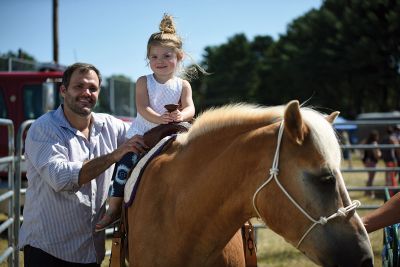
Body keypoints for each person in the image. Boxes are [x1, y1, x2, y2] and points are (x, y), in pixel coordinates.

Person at [18, 62, 147, 266]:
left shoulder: (110, 126)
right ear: (63, 90)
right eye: (79, 86)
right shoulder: (43, 128)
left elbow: (144, 136)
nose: (86, 93)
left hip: (91, 252)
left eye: (92, 88)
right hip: (49, 251)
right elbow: (60, 178)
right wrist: (114, 155)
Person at [95, 13, 198, 231]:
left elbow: (191, 107)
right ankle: (113, 209)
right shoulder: (143, 82)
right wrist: (159, 118)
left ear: (179, 57)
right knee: (125, 162)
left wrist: (182, 115)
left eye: (166, 56)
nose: (160, 61)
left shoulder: (183, 85)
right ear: (148, 59)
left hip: (174, 130)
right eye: (154, 57)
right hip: (146, 131)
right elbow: (142, 107)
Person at [362, 130, 381, 198]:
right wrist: (379, 153)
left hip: (367, 161)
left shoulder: (367, 142)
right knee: (371, 179)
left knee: (370, 178)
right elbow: (377, 155)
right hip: (372, 162)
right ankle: (371, 193)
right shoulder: (374, 144)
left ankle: (366, 192)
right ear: (375, 136)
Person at [381, 126, 399, 193]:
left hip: (386, 159)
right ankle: (392, 190)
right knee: (392, 174)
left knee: (388, 174)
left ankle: (388, 189)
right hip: (392, 158)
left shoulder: (384, 138)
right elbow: (397, 148)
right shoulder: (392, 138)